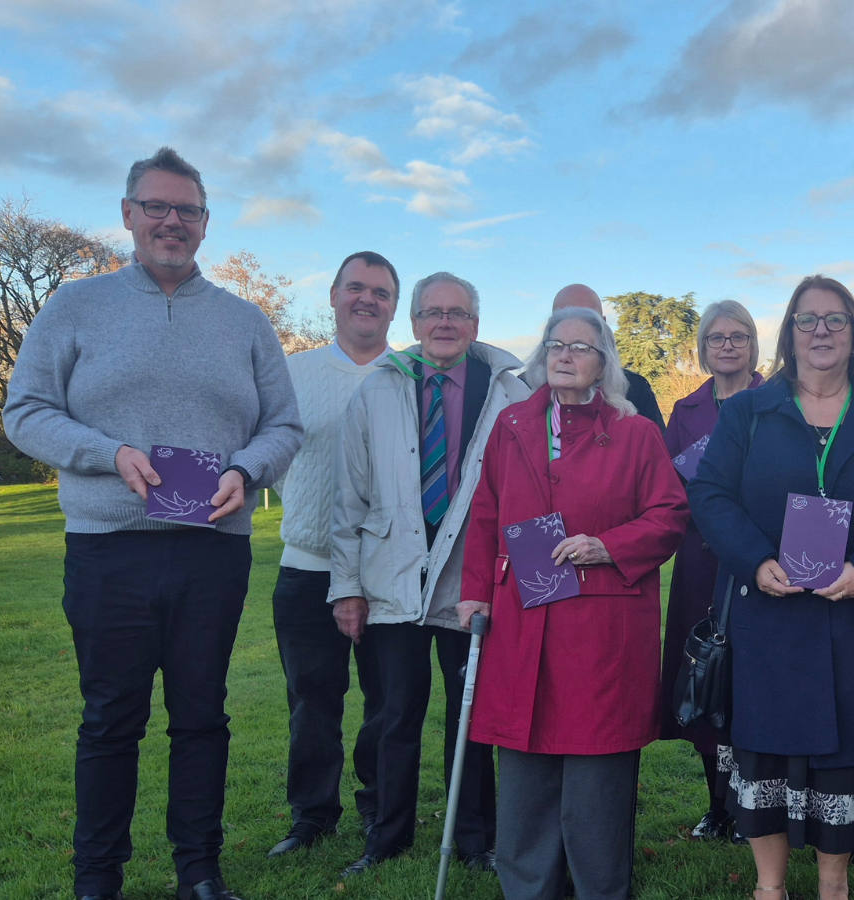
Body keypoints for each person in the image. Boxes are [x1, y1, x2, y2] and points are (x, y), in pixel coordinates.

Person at [3, 147, 303, 900]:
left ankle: (199, 871)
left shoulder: (246, 321)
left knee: (203, 715)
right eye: (158, 207)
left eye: (189, 210)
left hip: (212, 552)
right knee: (110, 719)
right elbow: (25, 412)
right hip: (109, 551)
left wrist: (244, 469)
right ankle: (97, 878)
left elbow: (285, 427)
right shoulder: (74, 306)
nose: (173, 221)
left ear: (206, 223)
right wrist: (108, 453)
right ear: (128, 214)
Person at [686, 275, 854, 900]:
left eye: (836, 319)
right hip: (771, 612)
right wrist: (753, 560)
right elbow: (711, 494)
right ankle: (769, 888)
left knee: (849, 760)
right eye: (808, 320)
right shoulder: (750, 411)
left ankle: (835, 886)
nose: (822, 331)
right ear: (790, 333)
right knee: (765, 754)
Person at [459, 306, 688, 900]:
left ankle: (599, 888)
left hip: (600, 630)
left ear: (604, 363)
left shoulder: (637, 434)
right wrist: (472, 593)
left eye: (581, 348)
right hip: (523, 621)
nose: (565, 355)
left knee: (596, 779)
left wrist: (608, 545)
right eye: (555, 345)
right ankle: (528, 886)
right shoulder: (511, 426)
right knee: (525, 767)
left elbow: (670, 516)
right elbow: (485, 515)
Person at [328, 272, 531, 877]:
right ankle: (386, 837)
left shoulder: (511, 396)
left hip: (473, 584)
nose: (445, 322)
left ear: (476, 324)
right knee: (394, 714)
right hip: (394, 580)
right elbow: (350, 500)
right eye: (433, 312)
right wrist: (347, 588)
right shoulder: (376, 392)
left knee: (470, 719)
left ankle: (473, 840)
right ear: (413, 323)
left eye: (459, 313)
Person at [264, 251, 400, 859]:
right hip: (306, 566)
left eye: (380, 291)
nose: (366, 300)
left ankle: (380, 810)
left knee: (385, 704)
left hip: (388, 573)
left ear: (395, 306)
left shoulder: (412, 376)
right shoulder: (290, 374)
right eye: (356, 288)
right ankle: (312, 815)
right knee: (311, 704)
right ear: (333, 296)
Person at [658, 299, 764, 842]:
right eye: (717, 337)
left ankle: (754, 808)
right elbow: (671, 490)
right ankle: (717, 806)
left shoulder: (777, 401)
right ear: (703, 348)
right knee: (708, 678)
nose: (727, 345)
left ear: (752, 343)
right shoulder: (686, 410)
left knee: (753, 685)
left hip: (761, 560)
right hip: (701, 562)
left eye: (737, 336)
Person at [550, 283, 666, 429]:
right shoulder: (524, 388)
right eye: (563, 317)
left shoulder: (635, 389)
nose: (574, 327)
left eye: (587, 318)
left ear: (603, 325)